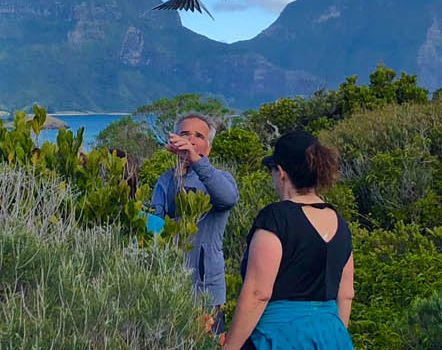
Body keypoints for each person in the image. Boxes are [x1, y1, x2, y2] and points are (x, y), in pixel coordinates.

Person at [223, 130, 354, 350]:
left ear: (281, 172)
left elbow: (258, 293)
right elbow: (346, 293)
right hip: (332, 335)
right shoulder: (340, 223)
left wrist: (230, 347)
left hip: (279, 337)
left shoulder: (276, 218)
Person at [146, 113, 239, 337]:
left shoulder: (220, 178)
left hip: (207, 293)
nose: (191, 140)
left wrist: (197, 161)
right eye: (185, 134)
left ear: (209, 146)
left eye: (199, 136)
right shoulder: (165, 180)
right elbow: (154, 229)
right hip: (169, 288)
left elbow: (227, 199)